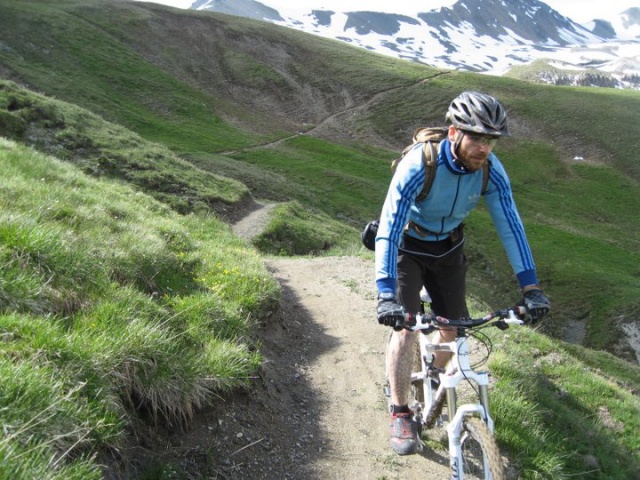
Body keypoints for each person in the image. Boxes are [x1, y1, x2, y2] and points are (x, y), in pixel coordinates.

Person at [374, 91, 551, 455]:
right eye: (477, 138)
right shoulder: (419, 163)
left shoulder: (490, 170)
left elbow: (511, 227)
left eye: (491, 141)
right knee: (405, 328)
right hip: (408, 246)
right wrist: (386, 292)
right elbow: (389, 227)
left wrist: (530, 286)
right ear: (454, 133)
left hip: (448, 249)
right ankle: (400, 410)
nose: (484, 148)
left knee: (452, 329)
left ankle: (433, 376)